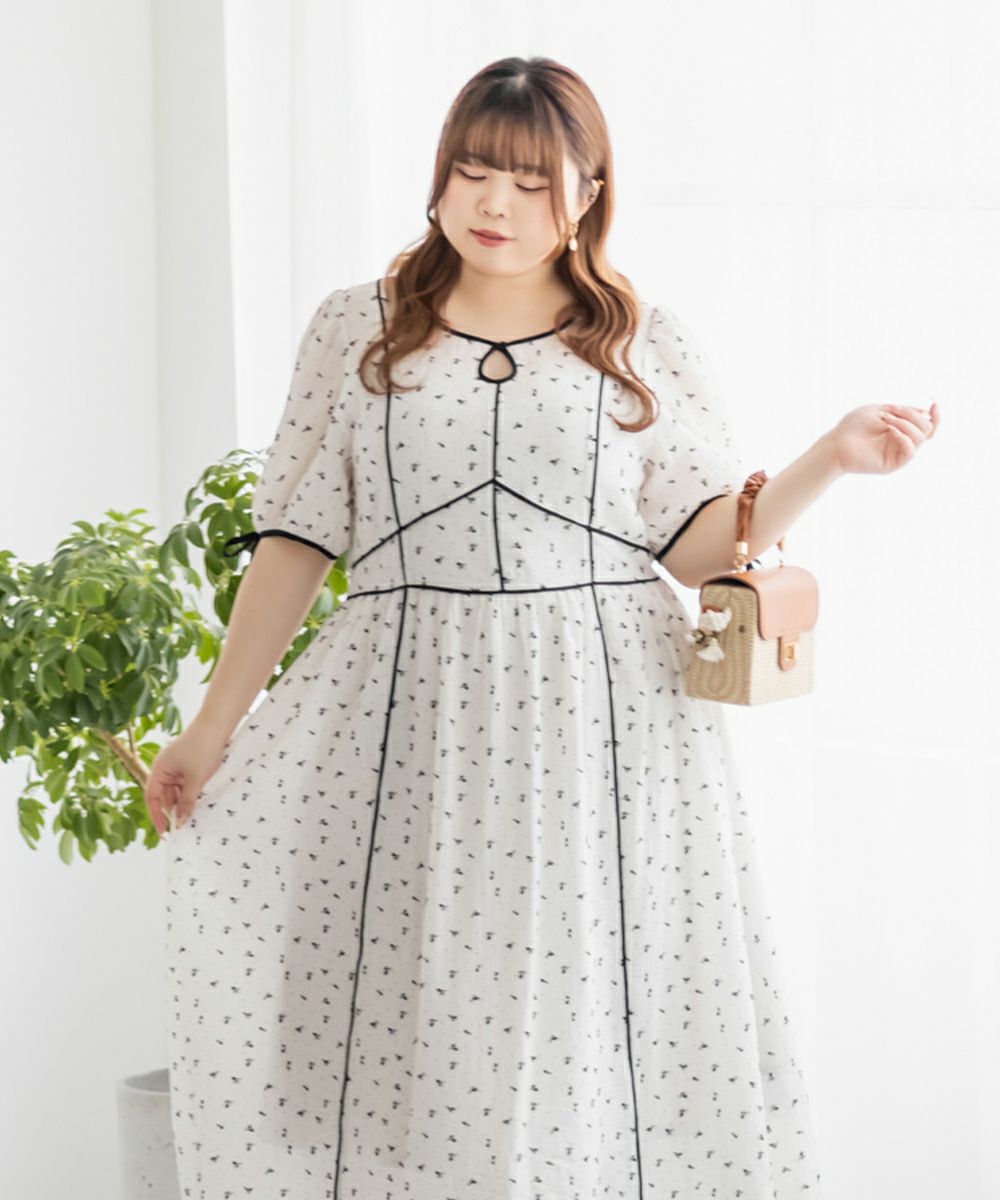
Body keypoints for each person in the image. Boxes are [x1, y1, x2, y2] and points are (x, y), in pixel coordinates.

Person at [146, 55, 938, 1200]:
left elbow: (699, 545)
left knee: (585, 1025)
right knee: (407, 1029)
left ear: (586, 194)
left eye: (530, 182)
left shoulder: (641, 338)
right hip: (403, 722)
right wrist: (212, 728)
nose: (495, 204)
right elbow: (295, 540)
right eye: (474, 171)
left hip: (603, 725)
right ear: (438, 175)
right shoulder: (356, 328)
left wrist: (831, 456)